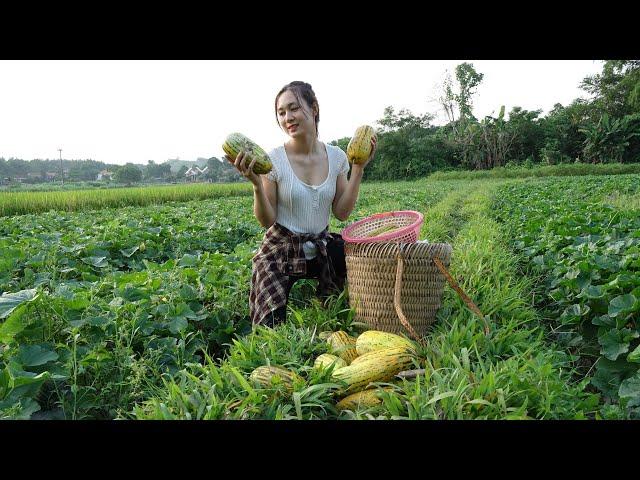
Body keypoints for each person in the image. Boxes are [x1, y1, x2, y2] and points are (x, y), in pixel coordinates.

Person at [225, 81, 376, 328]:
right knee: (269, 328)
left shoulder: (337, 156)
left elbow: (342, 212)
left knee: (344, 312)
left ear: (314, 108)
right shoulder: (273, 160)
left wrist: (358, 169)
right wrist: (255, 184)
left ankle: (333, 311)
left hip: (320, 246)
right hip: (281, 248)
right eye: (281, 113)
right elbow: (266, 220)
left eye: (293, 108)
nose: (287, 118)